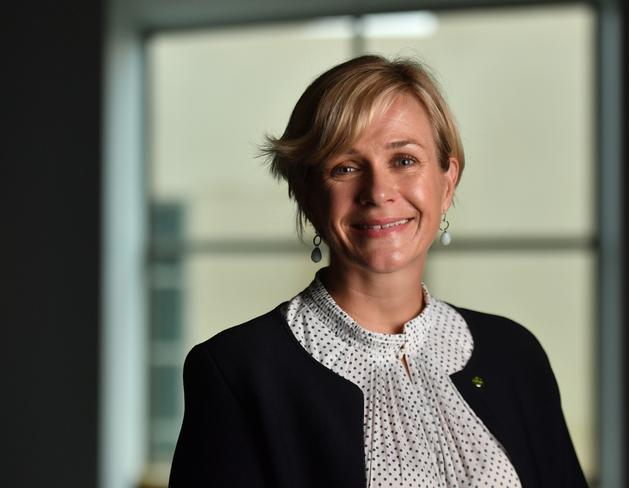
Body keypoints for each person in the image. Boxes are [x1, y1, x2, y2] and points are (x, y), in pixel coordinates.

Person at [169, 55, 588, 488]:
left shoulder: (515, 355)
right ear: (306, 194)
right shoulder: (236, 371)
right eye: (345, 167)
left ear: (446, 183)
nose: (378, 192)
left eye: (404, 160)